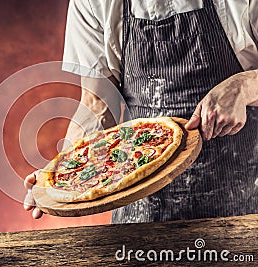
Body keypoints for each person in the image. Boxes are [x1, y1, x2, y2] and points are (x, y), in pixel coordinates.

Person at [24, 0, 258, 221]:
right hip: (140, 215)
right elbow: (97, 107)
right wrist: (67, 171)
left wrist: (243, 86)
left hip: (243, 201)